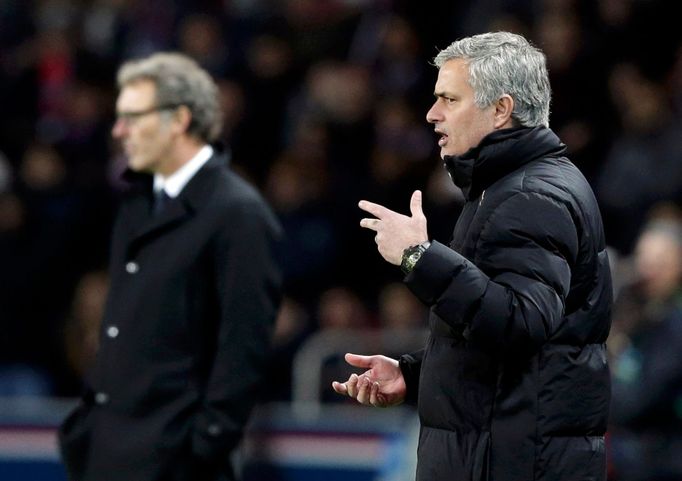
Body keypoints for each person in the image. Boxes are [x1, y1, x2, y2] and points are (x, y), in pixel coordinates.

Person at [332, 31, 612, 481]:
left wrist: (417, 258)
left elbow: (522, 321)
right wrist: (416, 374)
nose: (432, 114)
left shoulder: (530, 195)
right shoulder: (508, 186)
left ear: (501, 109)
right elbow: (507, 344)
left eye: (449, 99)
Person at [58, 52, 282, 481]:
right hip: (110, 453)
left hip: (177, 461)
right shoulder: (137, 205)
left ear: (179, 120)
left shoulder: (237, 212)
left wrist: (204, 445)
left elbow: (244, 345)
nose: (119, 131)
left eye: (133, 117)